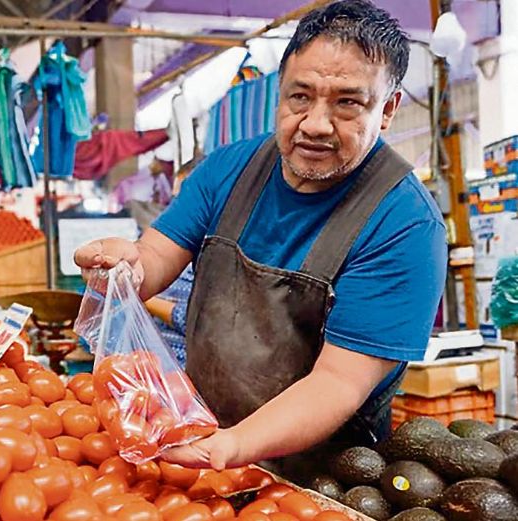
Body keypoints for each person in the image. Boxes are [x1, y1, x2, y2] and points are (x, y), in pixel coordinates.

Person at [74, 0, 447, 474]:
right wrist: (124, 265)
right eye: (300, 96)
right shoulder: (229, 169)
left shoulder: (404, 225)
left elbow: (337, 382)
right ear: (279, 92)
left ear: (388, 108)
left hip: (327, 475)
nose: (315, 124)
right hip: (202, 434)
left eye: (347, 103)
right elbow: (153, 256)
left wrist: (229, 447)